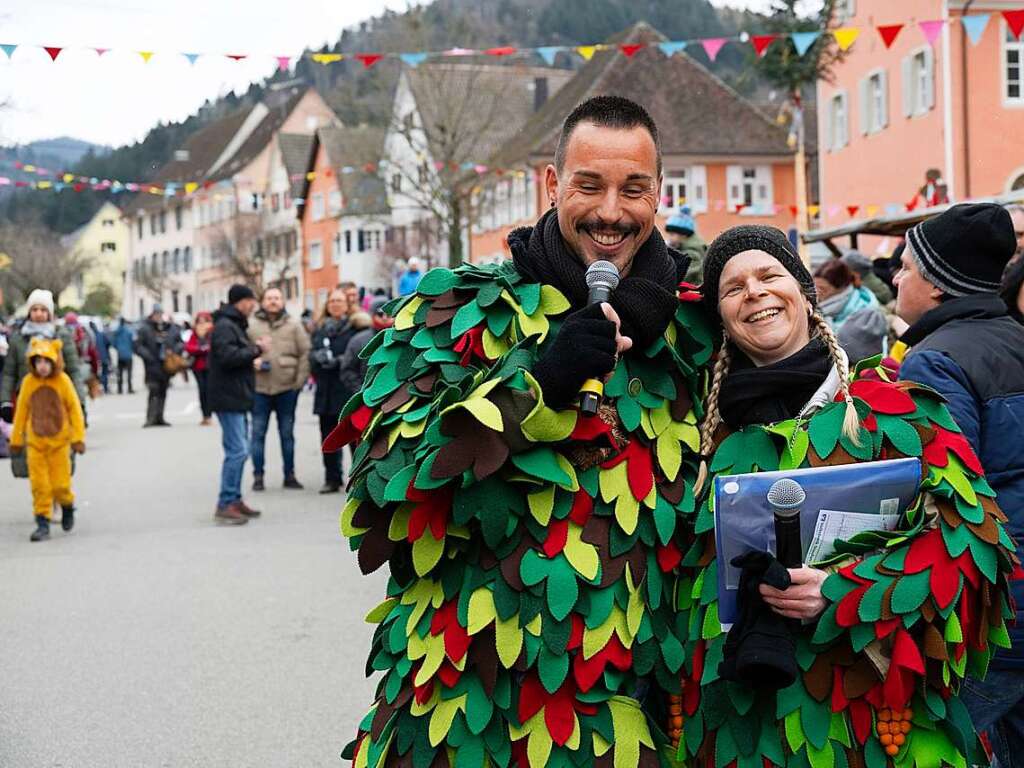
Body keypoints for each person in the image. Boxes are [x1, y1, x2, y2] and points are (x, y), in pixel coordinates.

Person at [333, 95, 712, 768]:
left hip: (636, 715)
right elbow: (381, 499)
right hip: (472, 710)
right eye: (588, 185)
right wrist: (538, 389)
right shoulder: (449, 314)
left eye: (634, 189)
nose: (610, 212)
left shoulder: (698, 333)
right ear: (551, 184)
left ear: (660, 194)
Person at [675, 223, 1015, 768]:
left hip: (873, 720)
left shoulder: (895, 406)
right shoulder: (700, 436)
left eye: (769, 275)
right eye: (733, 288)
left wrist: (843, 592)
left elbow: (977, 541)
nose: (755, 292)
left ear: (805, 294)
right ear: (721, 319)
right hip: (741, 725)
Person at [892, 203, 1024, 768]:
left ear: (939, 285)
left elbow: (950, 496)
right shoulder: (1015, 336)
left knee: (945, 743)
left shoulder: (935, 361)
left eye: (906, 267)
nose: (895, 277)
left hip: (1003, 607)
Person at [8, 337, 85, 541]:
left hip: (59, 443)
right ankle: (42, 522)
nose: (42, 366)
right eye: (38, 361)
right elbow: (22, 412)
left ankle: (67, 505)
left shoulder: (63, 382)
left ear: (54, 361)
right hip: (36, 443)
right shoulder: (28, 383)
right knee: (40, 485)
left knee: (60, 484)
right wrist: (16, 440)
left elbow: (74, 410)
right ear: (32, 363)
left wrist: (78, 437)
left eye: (46, 361)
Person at [208, 284, 268, 525]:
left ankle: (234, 498)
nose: (253, 304)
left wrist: (250, 358)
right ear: (239, 301)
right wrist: (256, 350)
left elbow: (232, 357)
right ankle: (225, 503)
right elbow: (227, 357)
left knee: (238, 451)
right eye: (250, 300)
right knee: (238, 451)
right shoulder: (225, 326)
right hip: (228, 397)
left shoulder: (233, 324)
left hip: (236, 395)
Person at [247, 286, 310, 491]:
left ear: (282, 301)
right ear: (263, 301)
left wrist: (298, 383)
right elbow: (242, 351)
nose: (273, 301)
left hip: (287, 389)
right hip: (259, 389)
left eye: (277, 298)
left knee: (287, 433)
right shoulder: (251, 324)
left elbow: (305, 353)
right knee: (257, 433)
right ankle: (258, 476)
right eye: (269, 298)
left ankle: (289, 475)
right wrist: (251, 362)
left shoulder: (294, 325)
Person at [0, 289, 84, 424]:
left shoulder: (61, 336)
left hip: (57, 400)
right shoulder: (18, 338)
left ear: (49, 313)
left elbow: (74, 371)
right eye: (34, 309)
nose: (39, 314)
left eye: (43, 310)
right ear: (29, 312)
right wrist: (5, 402)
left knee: (56, 441)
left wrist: (80, 403)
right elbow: (9, 374)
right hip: (26, 401)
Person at [308, 288, 355, 493]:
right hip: (325, 391)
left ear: (347, 304)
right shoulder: (320, 330)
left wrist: (339, 361)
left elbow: (358, 356)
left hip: (347, 391)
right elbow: (311, 355)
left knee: (354, 438)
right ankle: (332, 478)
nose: (335, 304)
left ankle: (357, 478)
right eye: (332, 301)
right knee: (328, 438)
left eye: (339, 300)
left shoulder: (354, 328)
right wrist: (316, 358)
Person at [813, 257, 888, 363]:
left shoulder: (867, 316)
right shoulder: (820, 310)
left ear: (842, 289)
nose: (817, 294)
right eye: (815, 288)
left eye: (823, 289)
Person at [133, 305, 181, 427]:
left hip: (166, 365)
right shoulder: (145, 329)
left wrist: (173, 351)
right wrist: (148, 357)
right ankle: (151, 418)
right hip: (152, 366)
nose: (159, 316)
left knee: (163, 391)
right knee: (153, 391)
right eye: (156, 314)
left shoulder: (170, 328)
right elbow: (138, 346)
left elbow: (180, 343)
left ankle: (160, 417)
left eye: (160, 314)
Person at [664, 206, 707, 284]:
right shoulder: (682, 247)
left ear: (683, 235)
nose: (669, 237)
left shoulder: (692, 252)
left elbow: (685, 275)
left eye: (672, 234)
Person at [184, 311, 213, 425]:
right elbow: (189, 347)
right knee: (202, 390)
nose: (202, 324)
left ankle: (209, 414)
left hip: (210, 366)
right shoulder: (194, 333)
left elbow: (213, 346)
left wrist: (202, 349)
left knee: (209, 390)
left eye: (204, 321)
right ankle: (205, 415)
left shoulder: (212, 332)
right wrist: (201, 349)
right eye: (199, 322)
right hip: (198, 366)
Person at [110, 316, 135, 394]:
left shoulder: (117, 332)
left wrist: (118, 348)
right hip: (128, 355)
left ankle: (120, 389)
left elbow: (113, 343)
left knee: (120, 373)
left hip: (120, 355)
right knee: (129, 372)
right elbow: (133, 342)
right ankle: (129, 388)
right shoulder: (129, 331)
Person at [90, 320, 111, 394]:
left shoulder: (90, 336)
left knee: (96, 374)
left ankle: (98, 389)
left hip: (95, 358)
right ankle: (104, 388)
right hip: (103, 357)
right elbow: (108, 343)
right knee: (104, 373)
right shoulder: (101, 334)